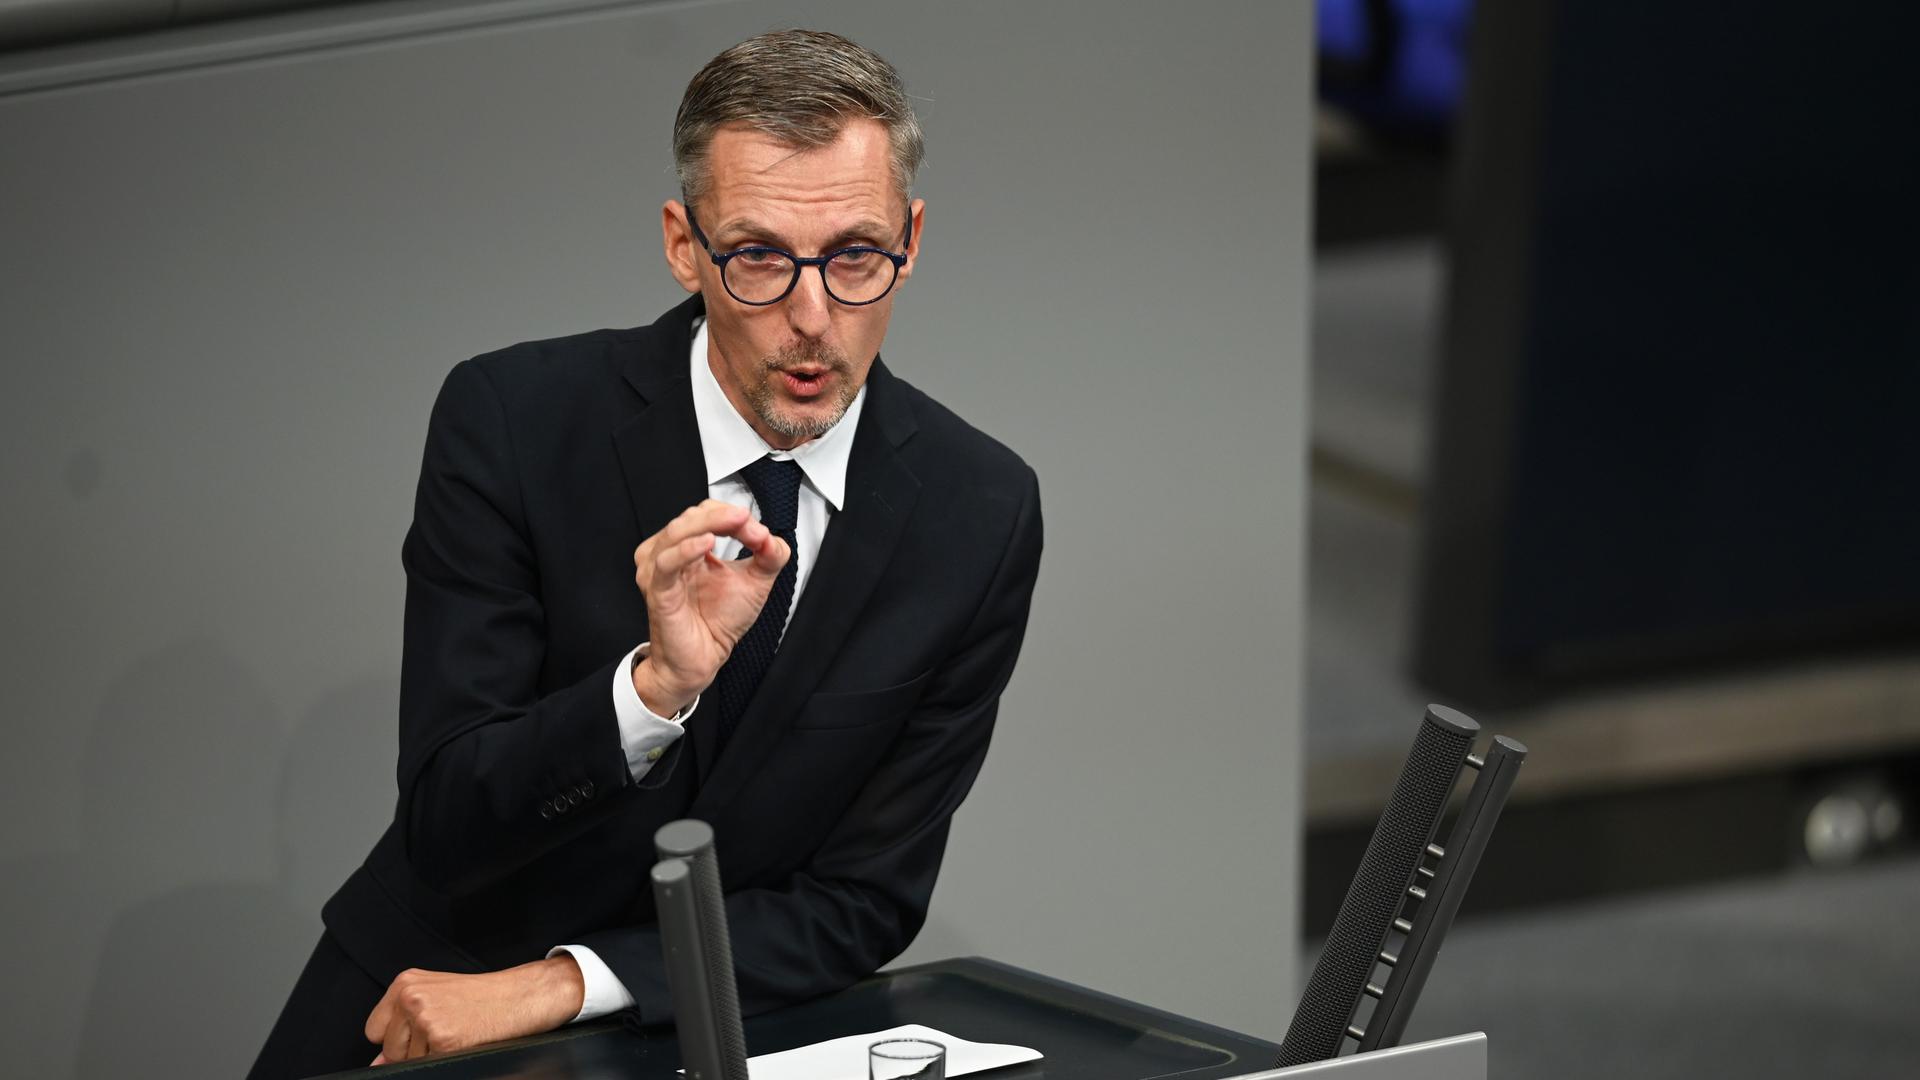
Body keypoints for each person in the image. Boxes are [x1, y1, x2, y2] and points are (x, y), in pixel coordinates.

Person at [246, 28, 1043, 1079]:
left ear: (913, 236)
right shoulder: (512, 421)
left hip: (695, 1036)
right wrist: (650, 691)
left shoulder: (978, 511)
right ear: (683, 243)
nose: (813, 320)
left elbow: (862, 904)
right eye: (759, 256)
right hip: (420, 1010)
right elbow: (445, 820)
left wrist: (566, 985)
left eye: (855, 256)